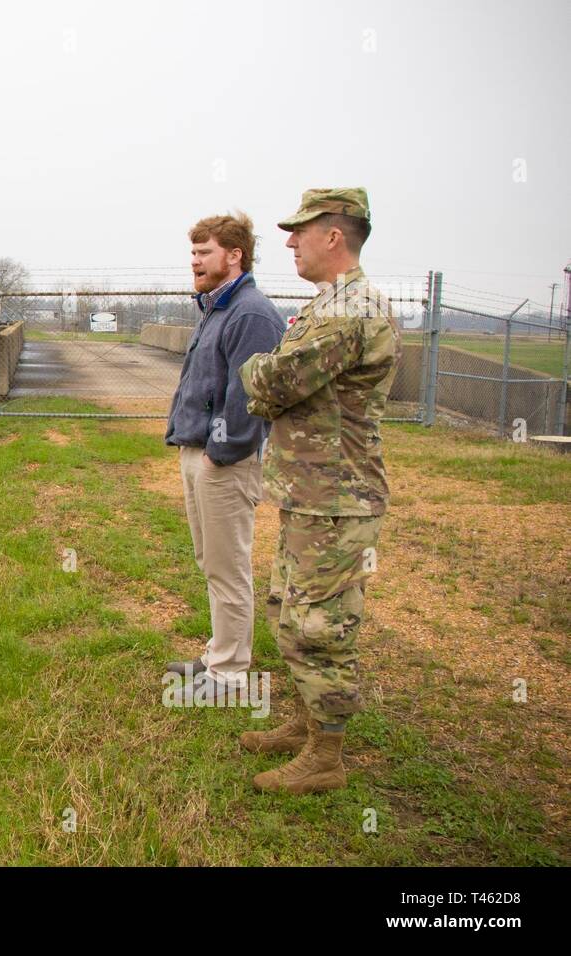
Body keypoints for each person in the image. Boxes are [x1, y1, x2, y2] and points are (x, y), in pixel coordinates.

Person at [238, 188, 401, 794]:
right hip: (312, 493)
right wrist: (268, 379)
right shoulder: (330, 304)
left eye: (300, 231)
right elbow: (280, 382)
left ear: (334, 235)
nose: (289, 242)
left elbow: (274, 379)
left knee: (318, 625)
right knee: (287, 609)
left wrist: (258, 374)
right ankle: (308, 725)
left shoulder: (350, 310)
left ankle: (326, 756)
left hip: (337, 498)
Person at [164, 213, 285, 693]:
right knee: (210, 560)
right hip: (200, 453)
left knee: (228, 566)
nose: (194, 261)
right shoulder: (217, 308)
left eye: (204, 252)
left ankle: (231, 674)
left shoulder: (250, 313)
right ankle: (219, 656)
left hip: (224, 462)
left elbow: (250, 396)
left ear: (234, 255)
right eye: (192, 253)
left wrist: (222, 451)